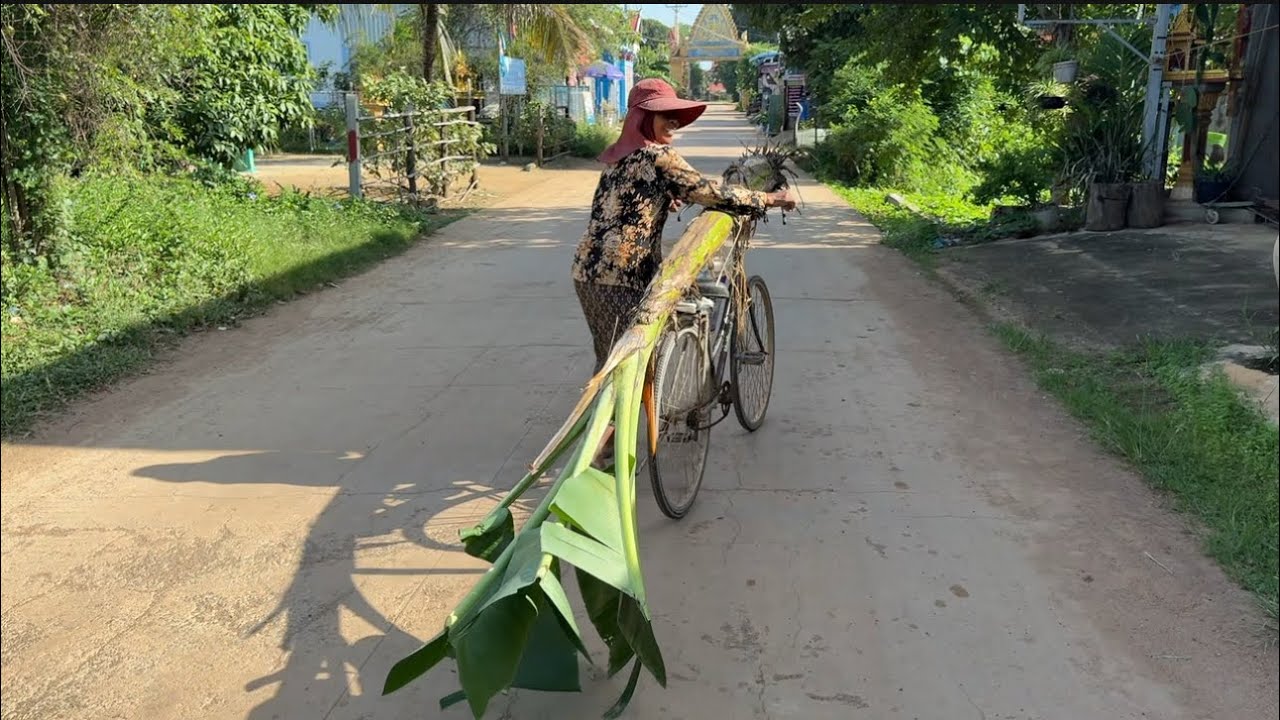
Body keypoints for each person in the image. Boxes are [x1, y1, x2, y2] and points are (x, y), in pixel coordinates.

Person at [570, 78, 796, 467]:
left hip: (587, 274)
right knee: (623, 371)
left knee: (610, 359)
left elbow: (626, 206)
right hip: (620, 277)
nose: (672, 126)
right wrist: (768, 198)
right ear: (644, 119)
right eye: (664, 118)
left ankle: (604, 448)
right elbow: (712, 191)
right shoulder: (659, 158)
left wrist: (663, 199)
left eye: (675, 118)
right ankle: (595, 462)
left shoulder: (618, 158)